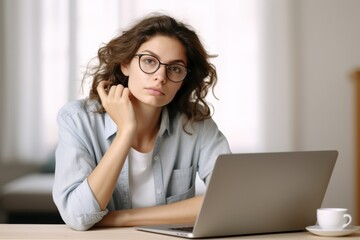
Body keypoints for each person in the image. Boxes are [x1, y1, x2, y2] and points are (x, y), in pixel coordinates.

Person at [52, 13, 231, 231]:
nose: (161, 76)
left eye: (175, 68)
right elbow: (77, 216)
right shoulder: (77, 119)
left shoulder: (195, 123)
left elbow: (229, 201)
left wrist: (122, 218)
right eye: (149, 61)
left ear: (183, 80)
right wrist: (126, 131)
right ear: (125, 64)